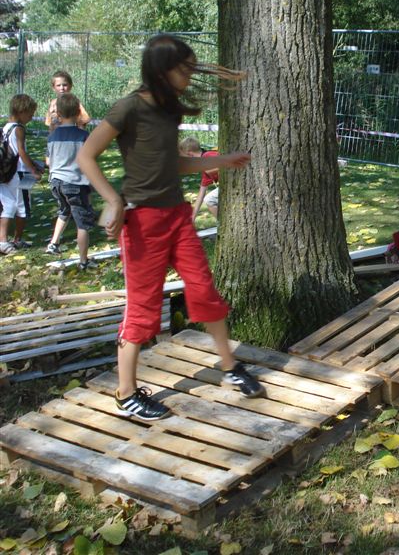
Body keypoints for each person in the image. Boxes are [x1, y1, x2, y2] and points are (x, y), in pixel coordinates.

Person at [77, 34, 264, 421]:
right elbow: (86, 155)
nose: (190, 76)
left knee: (204, 290)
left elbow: (172, 163)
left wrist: (223, 160)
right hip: (143, 223)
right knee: (143, 309)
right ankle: (126, 393)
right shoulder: (127, 108)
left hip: (177, 217)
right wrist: (113, 201)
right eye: (185, 69)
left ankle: (229, 367)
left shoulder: (169, 111)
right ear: (163, 70)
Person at [44, 93, 97, 270]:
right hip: (74, 183)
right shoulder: (83, 136)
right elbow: (90, 158)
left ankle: (53, 243)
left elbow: (48, 162)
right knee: (82, 222)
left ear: (57, 113)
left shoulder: (52, 136)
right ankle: (83, 261)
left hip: (56, 182)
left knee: (64, 210)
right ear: (77, 112)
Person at [1, 94, 40, 255]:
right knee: (24, 207)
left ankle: (3, 240)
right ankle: (16, 239)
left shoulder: (6, 127)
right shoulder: (19, 129)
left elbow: (16, 152)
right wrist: (34, 170)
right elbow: (22, 153)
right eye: (30, 113)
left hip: (6, 173)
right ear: (21, 111)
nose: (31, 117)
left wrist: (35, 163)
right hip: (21, 174)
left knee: (8, 206)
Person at [178, 136, 219, 221]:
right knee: (209, 199)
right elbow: (201, 193)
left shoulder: (208, 156)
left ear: (190, 154)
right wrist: (193, 217)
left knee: (210, 199)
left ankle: (223, 224)